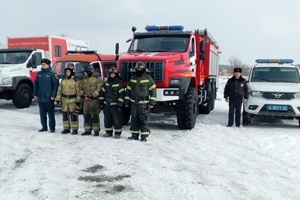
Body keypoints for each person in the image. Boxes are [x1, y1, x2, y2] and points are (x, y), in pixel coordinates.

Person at [124, 61, 156, 142]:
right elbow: (128, 91)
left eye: (140, 68)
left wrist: (152, 102)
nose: (139, 70)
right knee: (134, 119)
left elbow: (153, 91)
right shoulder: (132, 79)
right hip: (134, 103)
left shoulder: (149, 79)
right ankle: (134, 135)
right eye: (137, 68)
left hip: (144, 104)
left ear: (144, 69)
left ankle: (144, 135)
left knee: (144, 119)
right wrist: (126, 102)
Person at [33, 58, 59, 133]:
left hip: (49, 98)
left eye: (44, 64)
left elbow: (55, 86)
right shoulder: (39, 74)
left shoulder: (52, 74)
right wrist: (35, 94)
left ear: (48, 65)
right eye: (42, 64)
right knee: (42, 114)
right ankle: (44, 127)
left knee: (51, 114)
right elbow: (36, 85)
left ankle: (52, 128)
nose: (43, 66)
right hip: (41, 97)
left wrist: (53, 95)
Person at [99, 67, 125, 139]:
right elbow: (102, 92)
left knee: (117, 120)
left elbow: (121, 94)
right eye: (111, 74)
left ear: (116, 74)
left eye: (113, 74)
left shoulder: (119, 83)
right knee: (107, 119)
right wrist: (101, 102)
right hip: (107, 105)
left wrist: (119, 104)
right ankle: (108, 132)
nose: (112, 75)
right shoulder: (107, 83)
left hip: (115, 105)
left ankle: (117, 133)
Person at [55, 64, 81, 135]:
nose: (67, 73)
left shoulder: (75, 81)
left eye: (68, 71)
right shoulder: (63, 81)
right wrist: (58, 99)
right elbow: (59, 90)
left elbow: (79, 92)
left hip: (73, 101)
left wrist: (78, 101)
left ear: (72, 72)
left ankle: (75, 129)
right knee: (65, 115)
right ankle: (66, 128)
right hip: (64, 101)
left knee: (74, 116)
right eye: (66, 71)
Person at [79, 65, 103, 136]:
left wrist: (92, 95)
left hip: (94, 101)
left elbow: (99, 88)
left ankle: (96, 131)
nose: (84, 74)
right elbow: (80, 88)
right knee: (86, 115)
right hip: (86, 101)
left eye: (85, 72)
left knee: (94, 115)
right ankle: (87, 130)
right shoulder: (84, 79)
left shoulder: (97, 79)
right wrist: (83, 95)